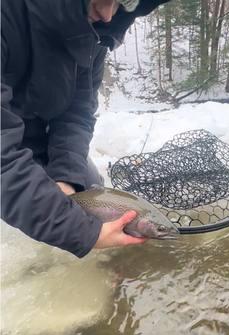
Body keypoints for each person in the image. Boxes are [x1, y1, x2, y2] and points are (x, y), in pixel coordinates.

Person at [1, 0, 170, 257]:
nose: (107, 15)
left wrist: (66, 177)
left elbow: (77, 113)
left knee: (88, 187)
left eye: (126, 1)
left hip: (38, 136)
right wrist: (80, 232)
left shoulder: (95, 31)